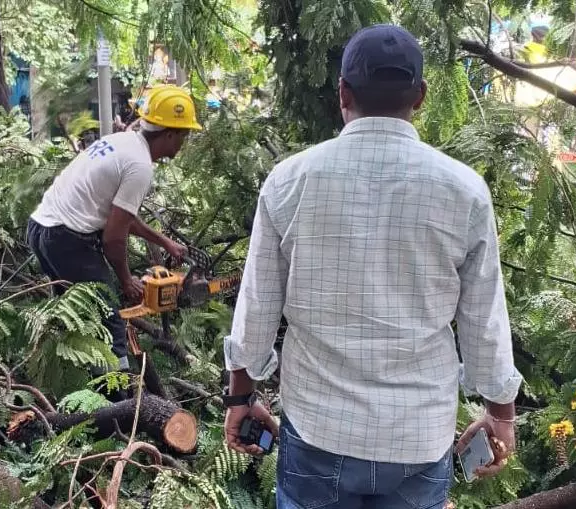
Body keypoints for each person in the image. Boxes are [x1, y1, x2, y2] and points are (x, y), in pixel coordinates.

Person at [221, 24, 523, 509]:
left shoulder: (290, 180)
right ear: (420, 97)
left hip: (318, 429)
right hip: (418, 436)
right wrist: (500, 413)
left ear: (343, 92)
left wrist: (240, 398)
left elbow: (257, 305)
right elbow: (484, 320)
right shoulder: (464, 191)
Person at [27, 86, 202, 375]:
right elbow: (113, 238)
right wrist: (125, 281)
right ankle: (118, 401)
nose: (183, 143)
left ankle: (73, 381)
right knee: (110, 321)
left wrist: (164, 242)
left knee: (77, 318)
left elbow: (120, 218)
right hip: (66, 239)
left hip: (42, 228)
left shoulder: (123, 142)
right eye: (184, 136)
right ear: (170, 133)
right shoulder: (140, 166)